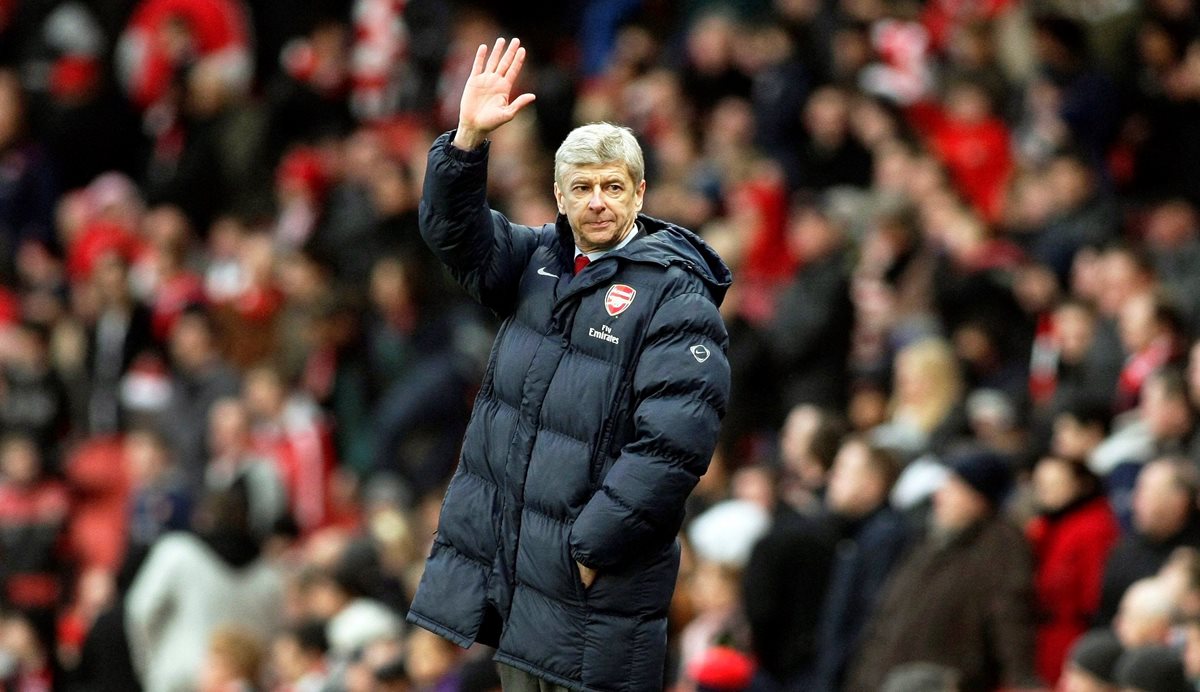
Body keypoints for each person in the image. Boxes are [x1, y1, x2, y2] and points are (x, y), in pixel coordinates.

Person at [403, 37, 732, 692]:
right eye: (582, 187)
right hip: (523, 581)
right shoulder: (539, 263)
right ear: (558, 195)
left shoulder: (676, 295)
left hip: (591, 596)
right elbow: (454, 236)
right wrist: (466, 140)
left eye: (614, 187)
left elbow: (672, 445)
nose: (598, 202)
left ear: (640, 192)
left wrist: (588, 548)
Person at [847, 449, 1039, 691]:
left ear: (979, 497)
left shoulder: (1001, 550)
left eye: (954, 486)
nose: (940, 495)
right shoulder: (931, 539)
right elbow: (887, 618)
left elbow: (1011, 620)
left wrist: (1023, 680)